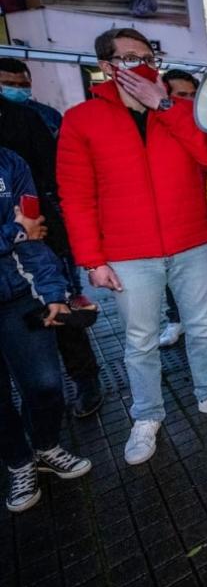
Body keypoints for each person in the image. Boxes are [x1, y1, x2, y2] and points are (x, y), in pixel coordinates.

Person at [57, 28, 207, 466]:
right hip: (129, 254)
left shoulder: (181, 109)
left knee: (200, 326)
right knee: (140, 341)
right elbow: (75, 195)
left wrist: (163, 106)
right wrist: (91, 259)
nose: (142, 64)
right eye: (129, 58)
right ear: (107, 67)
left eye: (148, 56)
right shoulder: (82, 119)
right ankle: (146, 415)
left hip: (191, 242)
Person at [0, 77, 103, 419]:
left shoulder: (28, 121)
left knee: (60, 309)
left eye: (22, 82)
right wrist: (17, 231)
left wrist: (34, 226)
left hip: (40, 241)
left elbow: (50, 177)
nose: (17, 88)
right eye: (8, 82)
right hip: (26, 235)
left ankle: (85, 381)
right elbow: (23, 227)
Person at [1, 146, 92, 513]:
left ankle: (45, 447)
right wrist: (13, 232)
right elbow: (21, 230)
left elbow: (34, 232)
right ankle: (19, 464)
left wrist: (54, 293)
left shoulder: (11, 162)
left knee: (46, 385)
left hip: (19, 295)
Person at [157, 69, 207, 345]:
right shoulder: (156, 128)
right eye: (181, 96)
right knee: (172, 272)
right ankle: (175, 319)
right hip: (172, 215)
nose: (189, 101)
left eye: (194, 95)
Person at [0, 58, 63, 134]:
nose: (18, 88)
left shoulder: (50, 114)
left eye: (24, 84)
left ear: (30, 82)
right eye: (9, 84)